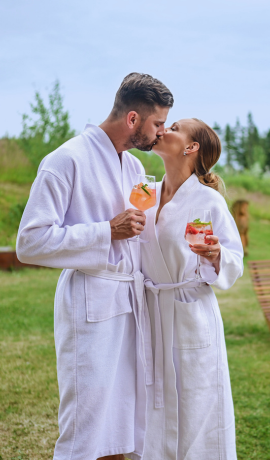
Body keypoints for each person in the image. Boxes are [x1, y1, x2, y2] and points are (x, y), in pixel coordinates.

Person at [16, 73, 174, 460]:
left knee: (125, 421)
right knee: (86, 421)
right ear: (133, 119)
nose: (161, 132)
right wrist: (105, 232)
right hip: (90, 304)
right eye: (157, 124)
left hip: (132, 304)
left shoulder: (136, 169)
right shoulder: (66, 160)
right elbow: (29, 243)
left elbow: (145, 234)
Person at [140, 118, 244, 459]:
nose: (163, 129)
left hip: (190, 313)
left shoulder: (208, 201)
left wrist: (216, 254)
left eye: (175, 126)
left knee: (195, 401)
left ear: (191, 147)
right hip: (150, 309)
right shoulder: (144, 191)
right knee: (150, 400)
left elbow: (234, 259)